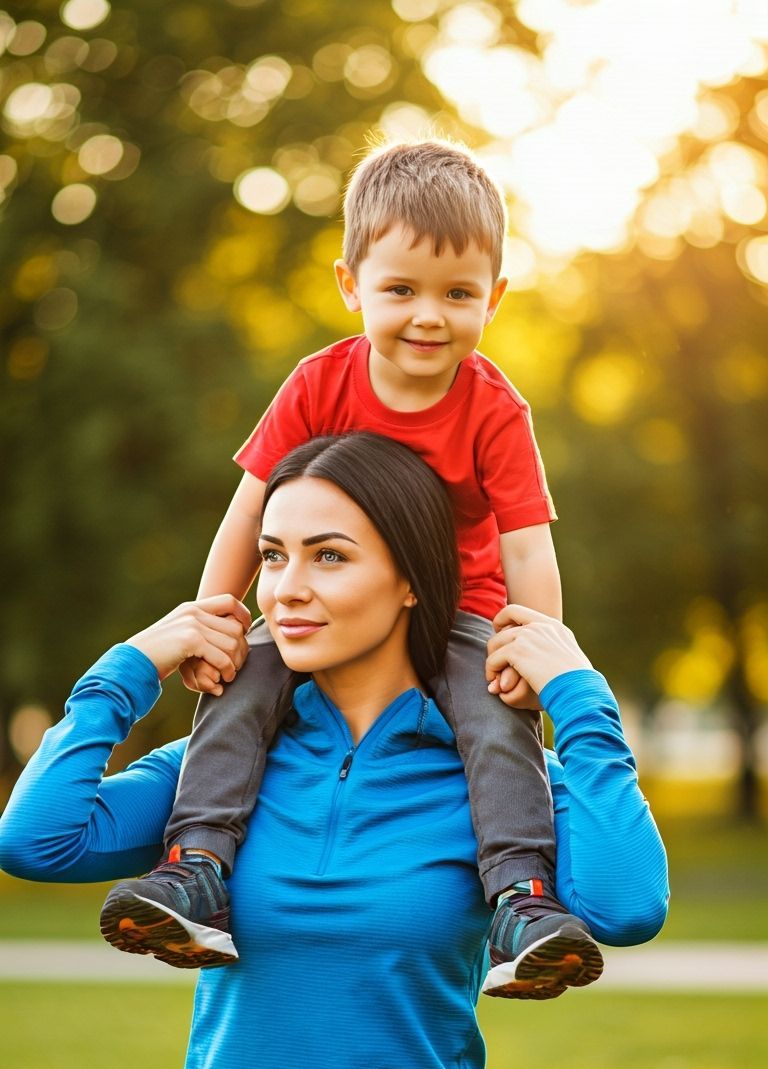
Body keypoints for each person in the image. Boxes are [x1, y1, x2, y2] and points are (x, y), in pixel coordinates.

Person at [0, 434, 667, 1069]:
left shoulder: (492, 777)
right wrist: (141, 658)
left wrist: (577, 695)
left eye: (330, 555)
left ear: (410, 580)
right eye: (273, 555)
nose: (286, 588)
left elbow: (627, 902)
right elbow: (38, 838)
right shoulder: (223, 769)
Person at [97, 139, 602, 998]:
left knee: (493, 724)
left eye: (458, 294)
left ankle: (523, 899)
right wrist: (212, 615)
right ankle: (195, 872)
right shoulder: (319, 383)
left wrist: (531, 649)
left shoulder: (493, 407)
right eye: (400, 289)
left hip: (460, 613)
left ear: (497, 298)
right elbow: (251, 509)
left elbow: (525, 546)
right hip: (328, 607)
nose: (428, 316)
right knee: (242, 687)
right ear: (351, 285)